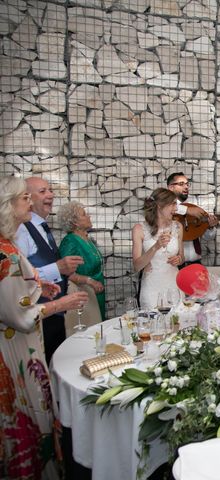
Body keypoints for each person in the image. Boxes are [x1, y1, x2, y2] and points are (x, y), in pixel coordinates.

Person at [0, 176, 88, 478]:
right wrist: (60, 304)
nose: (31, 201)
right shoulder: (6, 253)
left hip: (23, 342)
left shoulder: (9, 244)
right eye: (26, 197)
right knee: (26, 412)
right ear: (10, 206)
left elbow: (18, 290)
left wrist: (38, 286)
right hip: (16, 350)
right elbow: (20, 315)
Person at [15, 177, 84, 363]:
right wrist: (58, 267)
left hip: (52, 314)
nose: (51, 195)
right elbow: (17, 275)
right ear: (27, 198)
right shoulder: (21, 229)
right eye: (43, 191)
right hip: (35, 315)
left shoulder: (42, 227)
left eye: (50, 190)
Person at [132, 188, 184, 310]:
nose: (176, 209)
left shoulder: (178, 226)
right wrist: (156, 246)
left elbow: (182, 256)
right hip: (152, 289)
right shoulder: (139, 229)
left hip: (174, 286)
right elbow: (136, 266)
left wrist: (179, 259)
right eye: (173, 204)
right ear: (160, 206)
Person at [58, 201, 106, 321]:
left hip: (96, 291)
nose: (89, 216)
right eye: (84, 214)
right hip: (83, 294)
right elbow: (65, 272)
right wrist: (89, 281)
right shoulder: (70, 241)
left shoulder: (86, 239)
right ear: (75, 222)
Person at [166, 172, 218, 266]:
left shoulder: (194, 208)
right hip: (173, 263)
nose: (186, 187)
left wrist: (210, 226)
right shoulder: (163, 207)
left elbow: (207, 237)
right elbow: (161, 207)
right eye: (181, 184)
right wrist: (187, 210)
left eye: (187, 184)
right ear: (171, 187)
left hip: (195, 262)